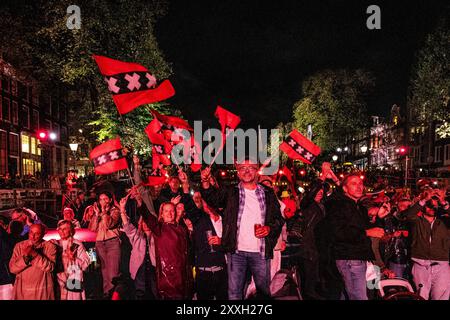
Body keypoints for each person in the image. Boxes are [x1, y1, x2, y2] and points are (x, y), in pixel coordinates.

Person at [200, 157, 284, 300]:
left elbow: (278, 219)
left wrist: (269, 229)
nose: (246, 171)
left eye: (251, 167)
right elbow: (212, 199)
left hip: (261, 252)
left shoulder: (268, 193)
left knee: (263, 293)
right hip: (236, 252)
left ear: (257, 171)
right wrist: (205, 181)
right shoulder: (230, 192)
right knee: (234, 293)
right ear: (238, 173)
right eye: (242, 168)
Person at [325, 174, 383, 300]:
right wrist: (366, 233)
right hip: (349, 258)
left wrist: (379, 218)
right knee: (359, 296)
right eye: (354, 184)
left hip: (359, 256)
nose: (359, 187)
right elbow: (337, 232)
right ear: (345, 189)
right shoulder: (339, 205)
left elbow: (368, 229)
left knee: (348, 295)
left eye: (360, 183)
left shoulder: (358, 207)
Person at [396, 188, 450, 300]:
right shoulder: (416, 221)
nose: (432, 208)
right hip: (420, 265)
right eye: (429, 205)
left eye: (435, 205)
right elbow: (405, 215)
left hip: (441, 266)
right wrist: (423, 200)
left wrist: (444, 202)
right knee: (420, 297)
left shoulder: (444, 221)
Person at [144, 202, 192, 299]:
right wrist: (140, 201)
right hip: (168, 279)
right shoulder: (159, 228)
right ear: (161, 214)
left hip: (183, 277)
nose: (169, 213)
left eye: (172, 211)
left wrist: (191, 231)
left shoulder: (182, 229)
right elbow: (147, 216)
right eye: (166, 211)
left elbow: (188, 251)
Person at [119, 190, 157, 300]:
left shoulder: (157, 236)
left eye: (147, 221)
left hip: (154, 270)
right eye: (143, 221)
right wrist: (122, 210)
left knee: (154, 294)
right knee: (140, 295)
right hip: (139, 270)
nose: (145, 224)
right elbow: (127, 227)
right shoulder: (137, 236)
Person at [9, 224, 57, 300]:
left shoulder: (49, 246)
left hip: (42, 289)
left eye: (37, 233)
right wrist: (25, 258)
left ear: (43, 234)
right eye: (31, 232)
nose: (33, 236)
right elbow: (12, 269)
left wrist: (35, 254)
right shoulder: (19, 246)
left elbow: (50, 267)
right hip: (23, 290)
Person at [192, 200, 228, 300]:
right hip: (204, 272)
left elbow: (234, 242)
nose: (205, 206)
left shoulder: (226, 221)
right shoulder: (201, 221)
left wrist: (222, 241)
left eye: (207, 202)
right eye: (203, 203)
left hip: (222, 271)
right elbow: (192, 212)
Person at [88, 192, 121, 297]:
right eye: (101, 199)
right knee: (104, 272)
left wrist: (104, 212)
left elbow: (109, 224)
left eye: (105, 199)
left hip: (112, 242)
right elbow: (92, 228)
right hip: (99, 243)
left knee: (113, 273)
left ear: (110, 200)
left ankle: (114, 295)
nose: (103, 201)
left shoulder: (115, 211)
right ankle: (107, 294)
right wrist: (97, 215)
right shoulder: (98, 212)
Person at [53, 220, 90, 300]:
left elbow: (86, 264)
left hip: (73, 278)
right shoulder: (55, 243)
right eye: (60, 229)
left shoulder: (76, 244)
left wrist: (74, 259)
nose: (61, 231)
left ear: (71, 231)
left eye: (65, 229)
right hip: (58, 279)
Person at [0, 219, 23, 300]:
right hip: (15, 277)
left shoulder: (5, 239)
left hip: (6, 277)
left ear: (9, 228)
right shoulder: (24, 240)